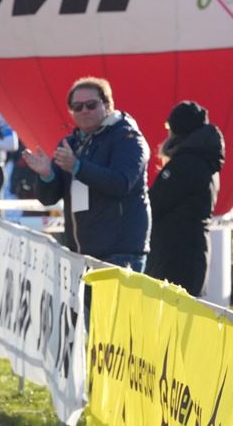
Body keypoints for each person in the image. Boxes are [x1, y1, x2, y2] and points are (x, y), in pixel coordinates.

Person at [24, 77, 150, 270]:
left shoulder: (128, 138)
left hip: (120, 254)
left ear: (107, 105)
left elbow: (122, 183)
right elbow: (48, 198)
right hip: (80, 254)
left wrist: (78, 167)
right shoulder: (71, 144)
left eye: (91, 105)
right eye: (77, 107)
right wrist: (46, 175)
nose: (84, 111)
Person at [145, 101, 225, 296]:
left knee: (168, 322)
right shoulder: (205, 162)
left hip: (175, 259)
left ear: (176, 130)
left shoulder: (186, 163)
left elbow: (153, 204)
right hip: (191, 256)